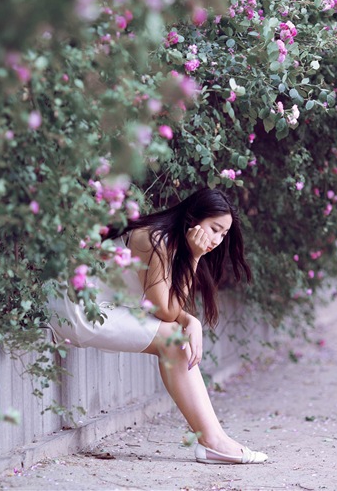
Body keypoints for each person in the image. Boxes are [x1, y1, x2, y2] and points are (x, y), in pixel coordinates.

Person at [46, 188, 268, 464]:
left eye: (223, 234)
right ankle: (213, 442)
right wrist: (195, 258)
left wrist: (191, 320)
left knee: (177, 337)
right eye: (214, 229)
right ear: (193, 219)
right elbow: (165, 311)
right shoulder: (154, 240)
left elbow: (161, 304)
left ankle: (214, 440)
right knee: (174, 341)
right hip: (74, 308)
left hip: (93, 307)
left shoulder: (168, 240)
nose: (217, 240)